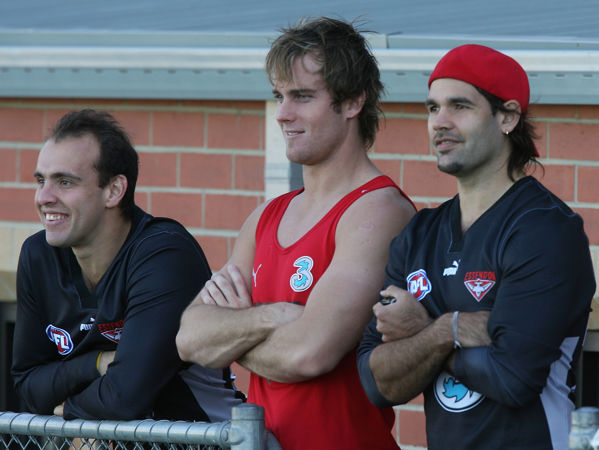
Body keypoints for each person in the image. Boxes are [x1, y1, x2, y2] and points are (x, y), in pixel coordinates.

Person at [176, 17, 415, 449]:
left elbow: (309, 354)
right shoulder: (265, 218)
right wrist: (273, 316)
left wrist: (232, 334)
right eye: (280, 96)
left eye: (302, 96)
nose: (283, 114)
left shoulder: (378, 212)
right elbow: (189, 338)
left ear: (352, 102)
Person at [358, 44, 596, 450]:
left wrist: (423, 331)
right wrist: (447, 331)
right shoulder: (420, 234)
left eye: (460, 106)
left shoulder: (545, 230)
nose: (440, 122)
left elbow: (512, 377)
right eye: (433, 108)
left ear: (507, 117)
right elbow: (375, 381)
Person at [12, 109, 243, 421]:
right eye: (41, 180)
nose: (44, 197)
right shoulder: (39, 255)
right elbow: (28, 387)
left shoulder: (164, 254)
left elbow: (124, 397)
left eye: (64, 182)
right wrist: (97, 362)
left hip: (203, 438)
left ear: (114, 191)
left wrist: (66, 409)